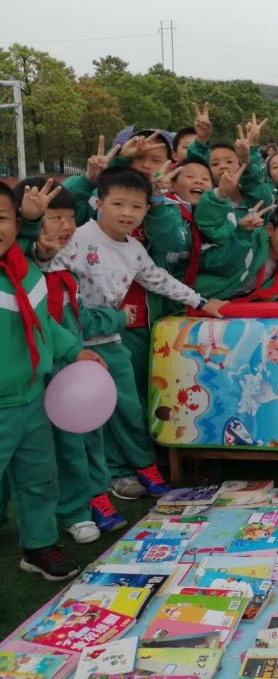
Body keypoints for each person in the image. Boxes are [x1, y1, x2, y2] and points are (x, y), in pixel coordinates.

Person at [34, 169, 226, 499]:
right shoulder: (78, 238)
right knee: (91, 418)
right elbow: (45, 269)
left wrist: (200, 301)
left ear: (146, 210)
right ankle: (113, 476)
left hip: (110, 339)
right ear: (99, 203)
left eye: (136, 206)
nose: (127, 213)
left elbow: (159, 279)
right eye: (118, 204)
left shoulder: (134, 249)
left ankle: (143, 464)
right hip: (73, 344)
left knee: (129, 408)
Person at [0, 182, 109, 580]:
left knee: (39, 479)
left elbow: (42, 321)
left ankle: (39, 546)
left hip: (31, 400)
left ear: (15, 224)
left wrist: (72, 350)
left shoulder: (26, 271)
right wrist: (31, 222)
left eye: (1, 218)